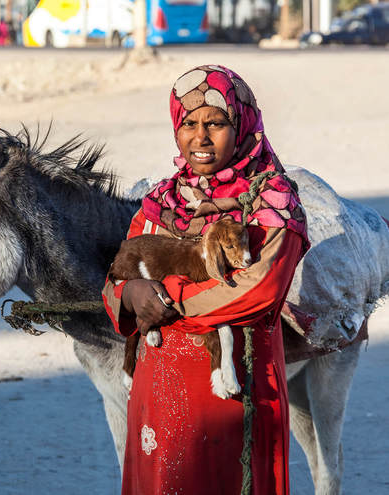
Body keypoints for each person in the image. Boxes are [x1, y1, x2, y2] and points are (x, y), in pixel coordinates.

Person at [102, 65, 310, 495]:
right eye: (189, 124)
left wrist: (166, 298)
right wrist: (129, 294)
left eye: (215, 123)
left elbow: (259, 290)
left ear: (242, 125)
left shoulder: (272, 201)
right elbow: (116, 276)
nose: (200, 137)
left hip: (231, 390)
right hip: (156, 391)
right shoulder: (161, 201)